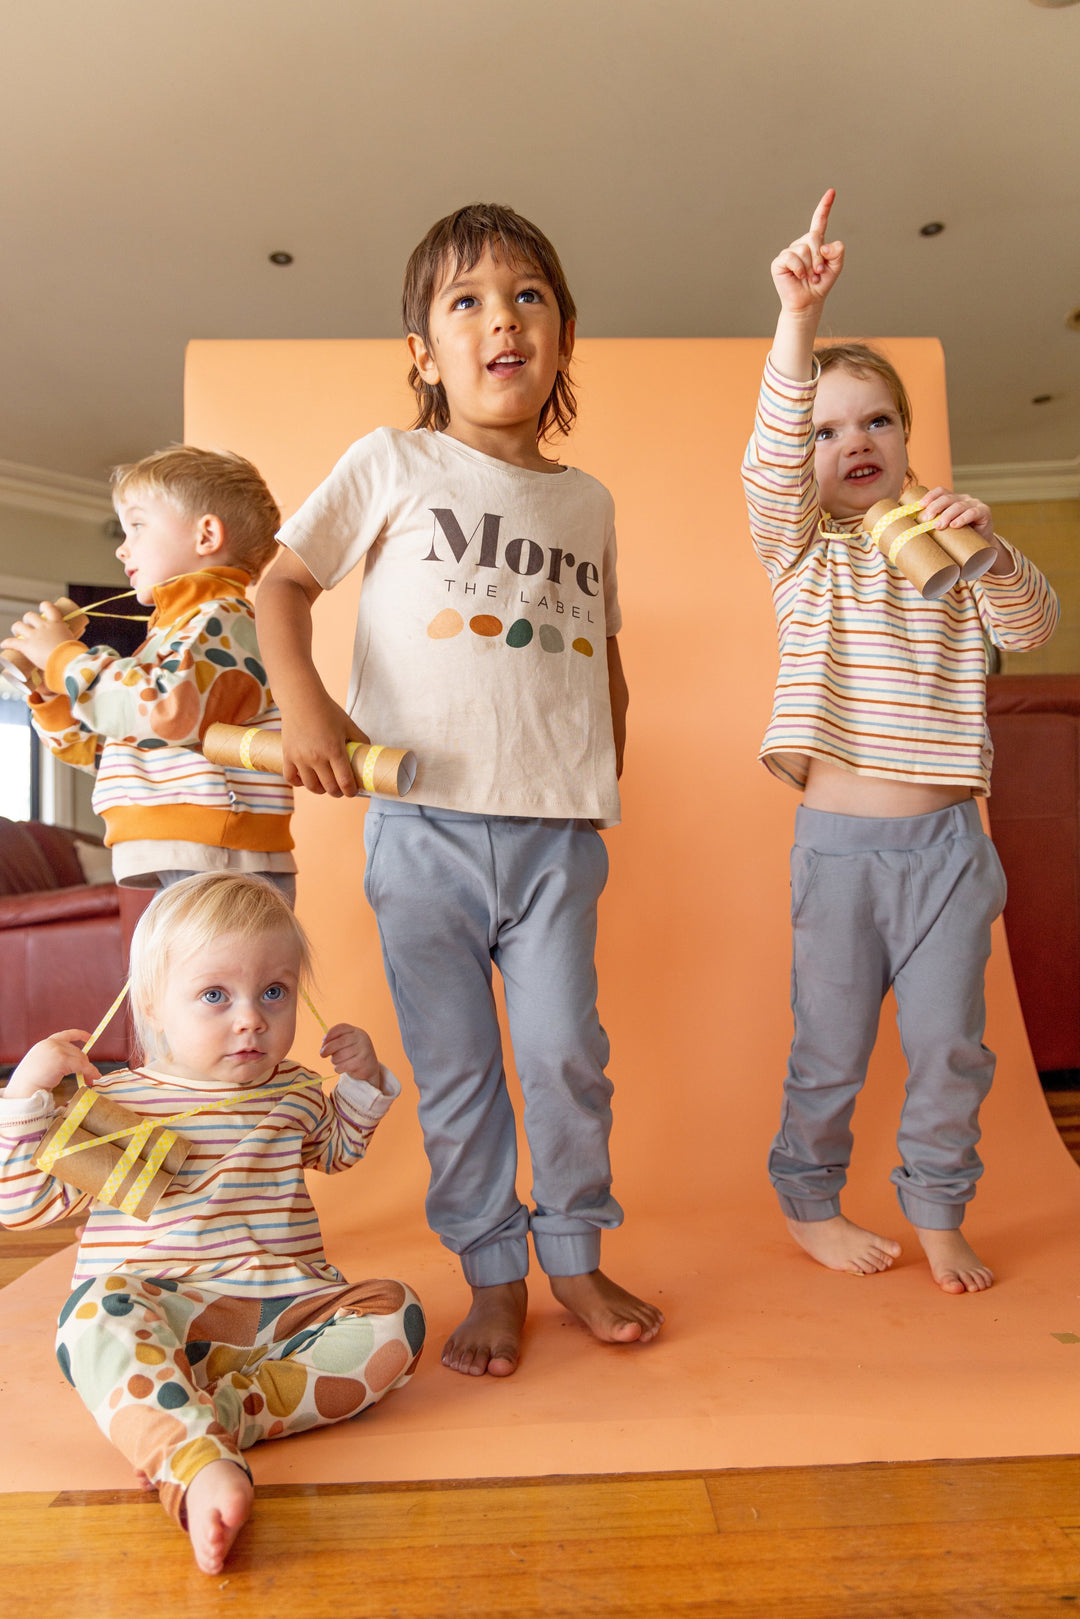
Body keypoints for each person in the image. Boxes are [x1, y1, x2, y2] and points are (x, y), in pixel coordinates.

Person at [255, 202, 663, 1377]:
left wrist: (605, 762)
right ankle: (495, 1274)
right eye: (468, 300)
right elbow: (284, 584)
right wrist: (308, 706)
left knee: (563, 1052)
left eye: (528, 295)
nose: (503, 319)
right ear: (426, 353)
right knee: (461, 1069)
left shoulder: (587, 502)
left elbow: (607, 654)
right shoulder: (396, 461)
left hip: (555, 839)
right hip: (422, 830)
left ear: (563, 334)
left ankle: (575, 1250)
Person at [743, 190, 1059, 1293]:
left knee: (951, 1047)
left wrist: (988, 551)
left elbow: (1033, 625)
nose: (851, 441)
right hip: (837, 853)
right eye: (826, 430)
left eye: (875, 419)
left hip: (947, 856)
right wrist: (799, 319)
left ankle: (937, 1203)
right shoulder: (801, 553)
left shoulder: (949, 554)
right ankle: (811, 1202)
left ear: (908, 439)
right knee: (829, 1048)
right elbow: (770, 464)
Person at [0, 873, 425, 1575]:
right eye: (215, 995)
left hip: (283, 1314)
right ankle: (195, 1463)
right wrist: (23, 1098)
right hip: (161, 1310)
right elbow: (20, 1206)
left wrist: (361, 1081)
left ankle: (217, 1413)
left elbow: (337, 1150)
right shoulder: (117, 1100)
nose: (251, 1018)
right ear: (154, 1009)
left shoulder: (291, 1091)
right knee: (93, 1318)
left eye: (275, 991)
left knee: (398, 1315)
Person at [1, 446, 296, 898]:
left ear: (206, 535)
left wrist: (64, 658)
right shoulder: (170, 637)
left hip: (217, 848)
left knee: (217, 970)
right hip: (180, 846)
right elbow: (105, 748)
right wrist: (51, 690)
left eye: (137, 525)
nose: (122, 548)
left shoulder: (220, 619)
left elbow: (163, 711)